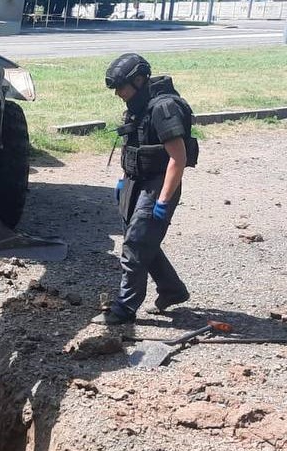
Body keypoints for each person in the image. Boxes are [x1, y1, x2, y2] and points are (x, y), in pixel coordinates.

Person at [93, 53, 199, 325]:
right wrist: (123, 179)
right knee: (141, 241)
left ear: (139, 80)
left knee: (136, 245)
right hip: (135, 180)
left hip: (158, 184)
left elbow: (178, 158)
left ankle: (125, 308)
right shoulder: (137, 105)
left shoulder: (164, 109)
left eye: (121, 87)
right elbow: (134, 146)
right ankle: (172, 290)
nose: (117, 93)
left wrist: (163, 201)